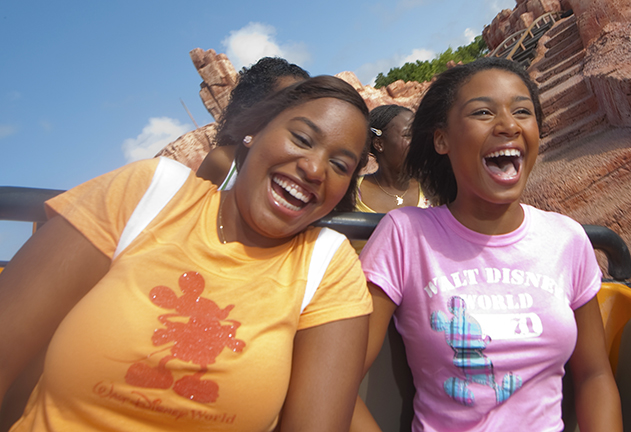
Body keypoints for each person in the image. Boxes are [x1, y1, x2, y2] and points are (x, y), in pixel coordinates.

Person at [0, 76, 373, 432]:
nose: (314, 168)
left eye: (340, 165)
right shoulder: (145, 194)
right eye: (302, 138)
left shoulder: (327, 266)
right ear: (253, 132)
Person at [352, 58, 622, 431]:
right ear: (441, 139)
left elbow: (594, 375)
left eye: (523, 112)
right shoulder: (405, 235)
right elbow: (339, 379)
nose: (509, 125)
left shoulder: (568, 238)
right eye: (483, 111)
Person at [196, 57, 310, 190]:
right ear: (254, 110)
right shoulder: (224, 162)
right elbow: (193, 207)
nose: (297, 111)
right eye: (286, 103)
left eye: (305, 102)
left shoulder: (308, 167)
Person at [355, 105, 429, 213]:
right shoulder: (352, 193)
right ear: (379, 144)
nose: (418, 143)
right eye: (408, 135)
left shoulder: (432, 190)